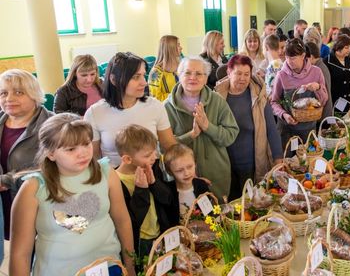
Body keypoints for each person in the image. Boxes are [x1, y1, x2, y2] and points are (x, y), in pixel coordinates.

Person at [10, 113, 135, 276]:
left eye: (86, 144)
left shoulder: (106, 172)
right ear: (51, 153)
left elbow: (122, 220)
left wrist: (130, 265)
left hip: (109, 267)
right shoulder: (33, 188)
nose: (83, 153)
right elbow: (20, 254)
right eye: (71, 149)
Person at [164, 57, 239, 200]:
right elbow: (162, 148)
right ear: (179, 76)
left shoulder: (217, 101)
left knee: (218, 217)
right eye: (187, 73)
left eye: (199, 74)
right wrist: (190, 135)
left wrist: (208, 127)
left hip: (216, 175)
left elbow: (231, 135)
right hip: (181, 180)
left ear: (206, 78)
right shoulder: (166, 107)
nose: (193, 77)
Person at [84, 52, 177, 167]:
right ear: (114, 80)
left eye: (144, 75)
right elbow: (94, 158)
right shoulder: (95, 113)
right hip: (115, 177)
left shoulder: (155, 106)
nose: (144, 82)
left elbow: (170, 146)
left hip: (151, 173)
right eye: (136, 77)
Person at [215, 55, 282, 198]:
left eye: (246, 74)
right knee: (231, 205)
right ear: (229, 72)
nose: (243, 78)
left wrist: (278, 159)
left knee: (250, 204)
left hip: (251, 164)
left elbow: (271, 129)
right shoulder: (217, 97)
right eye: (238, 73)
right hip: (225, 165)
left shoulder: (258, 96)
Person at [0, 69, 54, 241]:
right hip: (4, 205)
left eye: (18, 92)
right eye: (3, 93)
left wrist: (7, 180)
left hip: (37, 205)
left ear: (34, 94)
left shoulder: (52, 124)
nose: (9, 98)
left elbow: (54, 166)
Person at [115, 125, 172, 258]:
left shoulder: (148, 167)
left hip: (159, 234)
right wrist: (141, 189)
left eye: (154, 151)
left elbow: (168, 200)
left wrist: (153, 183)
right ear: (127, 159)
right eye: (147, 155)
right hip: (140, 242)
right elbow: (131, 220)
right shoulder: (116, 181)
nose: (154, 157)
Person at [270, 38, 328, 146]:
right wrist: (284, 115)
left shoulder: (316, 72)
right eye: (287, 57)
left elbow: (324, 100)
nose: (289, 61)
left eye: (293, 58)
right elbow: (274, 102)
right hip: (287, 131)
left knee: (308, 159)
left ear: (303, 55)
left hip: (309, 130)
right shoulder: (281, 75)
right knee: (289, 161)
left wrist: (318, 87)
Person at [163, 144, 209, 223]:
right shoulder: (167, 191)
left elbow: (209, 212)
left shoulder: (201, 185)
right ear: (170, 172)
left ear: (195, 164)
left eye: (190, 166)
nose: (186, 173)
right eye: (180, 170)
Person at [324, 35, 350, 107]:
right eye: (346, 48)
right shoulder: (327, 62)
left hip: (349, 102)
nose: (349, 50)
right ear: (338, 47)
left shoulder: (348, 59)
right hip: (335, 102)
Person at [148, 35, 182, 102]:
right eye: (178, 45)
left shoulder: (181, 66)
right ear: (170, 48)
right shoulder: (156, 72)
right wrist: (178, 96)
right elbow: (155, 98)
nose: (181, 48)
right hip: (166, 108)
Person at [305, 42, 333, 119]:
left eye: (305, 58)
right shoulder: (321, 65)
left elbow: (324, 93)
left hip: (323, 113)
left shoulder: (318, 69)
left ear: (311, 57)